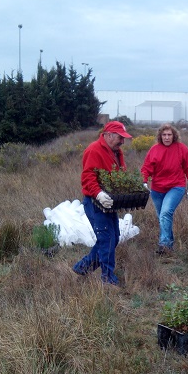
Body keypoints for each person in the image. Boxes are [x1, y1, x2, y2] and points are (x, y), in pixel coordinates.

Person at [73, 120, 133, 286]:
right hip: (95, 203)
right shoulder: (94, 150)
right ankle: (108, 279)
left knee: (114, 238)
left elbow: (120, 175)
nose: (122, 141)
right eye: (120, 137)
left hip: (110, 203)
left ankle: (83, 267)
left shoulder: (116, 152)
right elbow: (88, 177)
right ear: (108, 135)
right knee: (106, 240)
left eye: (124, 138)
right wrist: (98, 193)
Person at [141, 123, 188, 254]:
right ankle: (170, 244)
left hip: (176, 186)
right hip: (157, 189)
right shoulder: (154, 149)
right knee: (163, 217)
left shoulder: (182, 149)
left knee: (165, 213)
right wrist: (144, 181)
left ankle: (164, 245)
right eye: (164, 135)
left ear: (174, 136)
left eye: (169, 135)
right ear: (160, 136)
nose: (166, 137)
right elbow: (146, 167)